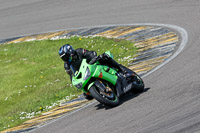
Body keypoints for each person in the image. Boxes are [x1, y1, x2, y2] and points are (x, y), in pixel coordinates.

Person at [58, 44, 128, 100]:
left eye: (66, 56)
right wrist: (75, 83)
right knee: (87, 96)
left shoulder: (79, 51)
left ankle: (122, 70)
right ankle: (102, 92)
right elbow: (71, 75)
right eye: (63, 58)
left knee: (106, 57)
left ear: (70, 52)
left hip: (93, 64)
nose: (65, 59)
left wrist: (93, 57)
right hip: (85, 74)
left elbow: (89, 53)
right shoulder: (67, 65)